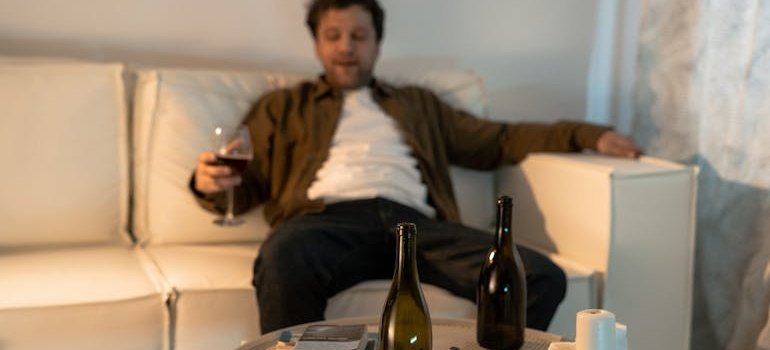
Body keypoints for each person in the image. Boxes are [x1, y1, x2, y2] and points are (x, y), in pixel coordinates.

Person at [191, 0, 641, 334]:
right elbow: (240, 185)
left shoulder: (417, 104)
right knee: (282, 256)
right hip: (325, 223)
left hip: (417, 226)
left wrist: (585, 134)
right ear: (316, 44)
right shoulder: (282, 107)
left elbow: (498, 139)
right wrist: (208, 181)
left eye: (359, 36)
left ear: (377, 43)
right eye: (333, 36)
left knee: (538, 276)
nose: (346, 47)